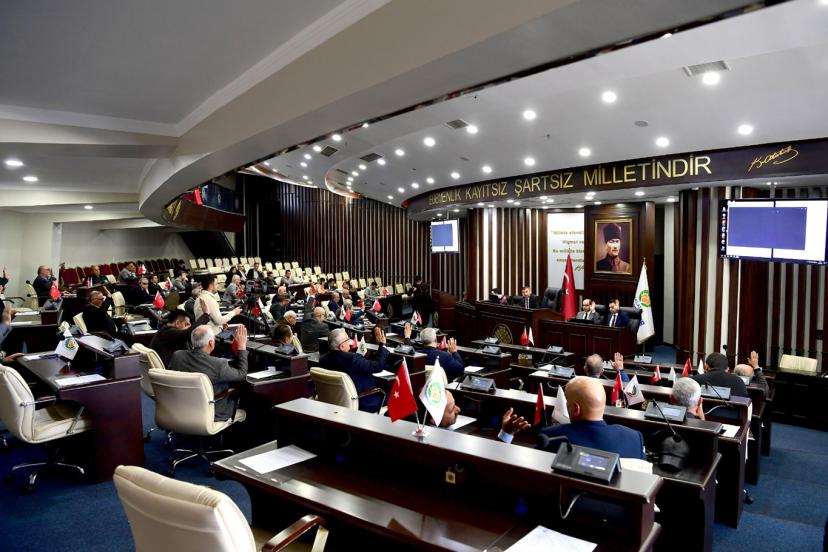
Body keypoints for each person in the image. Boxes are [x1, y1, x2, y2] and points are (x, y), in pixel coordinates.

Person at [500, 376, 646, 459]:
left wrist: (506, 434)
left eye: (567, 401)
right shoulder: (633, 438)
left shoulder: (552, 437)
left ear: (576, 409)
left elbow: (524, 472)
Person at [169, 325, 248, 422]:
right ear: (211, 343)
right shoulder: (218, 365)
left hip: (181, 408)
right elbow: (242, 374)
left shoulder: (177, 356)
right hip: (212, 413)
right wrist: (242, 347)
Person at [320, 326, 389, 412]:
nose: (350, 343)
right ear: (342, 346)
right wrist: (382, 345)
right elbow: (377, 366)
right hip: (364, 400)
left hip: (335, 401)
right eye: (347, 340)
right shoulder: (353, 359)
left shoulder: (322, 359)